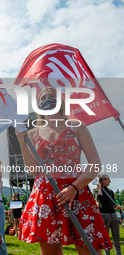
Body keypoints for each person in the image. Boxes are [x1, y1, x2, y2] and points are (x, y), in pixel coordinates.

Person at [15, 87, 112, 255]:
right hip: (46, 197)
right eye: (43, 99)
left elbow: (95, 163)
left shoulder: (77, 127)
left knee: (91, 250)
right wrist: (22, 143)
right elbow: (34, 170)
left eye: (51, 97)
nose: (47, 101)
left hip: (78, 194)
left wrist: (74, 188)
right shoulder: (32, 134)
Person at [95, 174, 121, 255]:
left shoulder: (110, 191)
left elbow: (114, 203)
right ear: (103, 180)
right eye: (108, 179)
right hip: (103, 214)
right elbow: (99, 198)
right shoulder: (96, 190)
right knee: (106, 237)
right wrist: (100, 188)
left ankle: (118, 253)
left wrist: (117, 206)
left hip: (113, 214)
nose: (109, 181)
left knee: (116, 236)